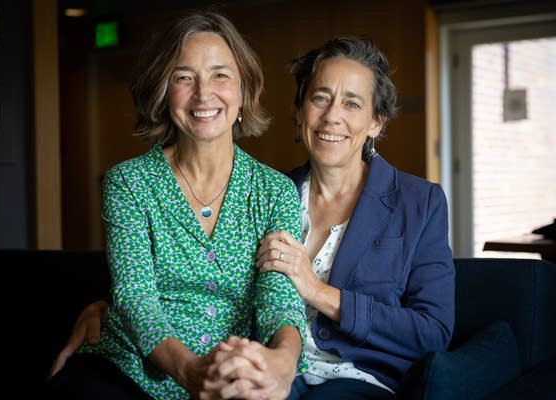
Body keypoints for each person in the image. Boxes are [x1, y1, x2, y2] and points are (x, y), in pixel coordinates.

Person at [51, 35, 456, 400]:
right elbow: (191, 277)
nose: (333, 116)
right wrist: (111, 304)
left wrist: (317, 291)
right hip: (262, 367)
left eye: (352, 103)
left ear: (376, 122)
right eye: (320, 98)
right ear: (299, 110)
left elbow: (433, 330)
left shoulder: (418, 203)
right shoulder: (279, 189)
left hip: (352, 376)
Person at [46, 10, 307, 400]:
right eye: (183, 77)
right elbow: (135, 297)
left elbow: (278, 299)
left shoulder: (275, 191)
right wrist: (189, 370)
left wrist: (283, 366)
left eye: (220, 75)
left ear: (243, 88)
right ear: (163, 91)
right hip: (128, 368)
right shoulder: (129, 182)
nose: (204, 94)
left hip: (228, 371)